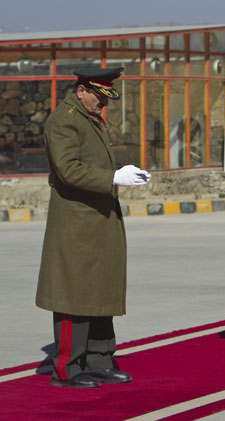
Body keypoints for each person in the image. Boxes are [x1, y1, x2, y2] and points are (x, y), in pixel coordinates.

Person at [36, 67, 151, 388]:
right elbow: (69, 170)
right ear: (82, 90)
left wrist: (118, 172)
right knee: (74, 296)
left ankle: (99, 359)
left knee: (101, 290)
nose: (104, 104)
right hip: (75, 223)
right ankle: (67, 368)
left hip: (97, 220)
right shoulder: (63, 121)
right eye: (99, 97)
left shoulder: (88, 117)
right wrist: (113, 177)